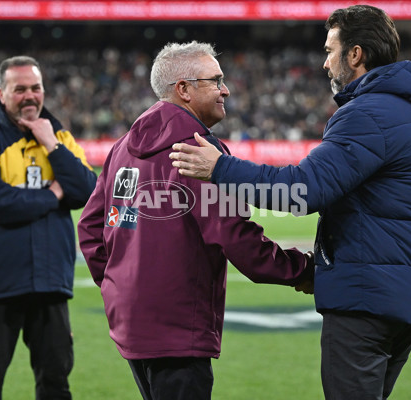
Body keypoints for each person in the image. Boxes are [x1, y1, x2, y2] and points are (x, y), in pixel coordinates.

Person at [169, 5, 411, 400]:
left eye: (330, 50)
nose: (325, 62)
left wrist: (221, 169)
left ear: (355, 54)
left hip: (367, 295)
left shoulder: (370, 113)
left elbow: (303, 190)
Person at [77, 41, 313, 400]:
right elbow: (239, 241)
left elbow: (92, 227)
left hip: (132, 322)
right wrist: (306, 272)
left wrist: (117, 287)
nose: (226, 89)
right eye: (215, 80)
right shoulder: (199, 153)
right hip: (178, 328)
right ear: (183, 89)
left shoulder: (123, 145)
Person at [0, 55, 97, 400]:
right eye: (20, 89)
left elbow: (87, 192)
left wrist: (51, 144)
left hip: (49, 284)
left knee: (55, 383)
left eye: (36, 88)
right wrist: (53, 196)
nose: (30, 96)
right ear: (2, 94)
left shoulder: (60, 137)